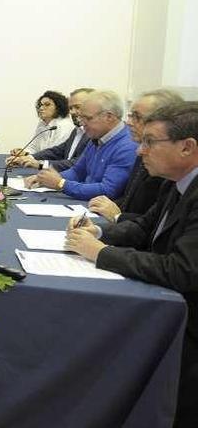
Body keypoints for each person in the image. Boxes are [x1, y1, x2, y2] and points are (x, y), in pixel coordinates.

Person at [63, 102, 198, 428]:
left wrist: (101, 253)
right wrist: (98, 231)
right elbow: (142, 228)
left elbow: (182, 270)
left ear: (187, 147)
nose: (140, 151)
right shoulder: (175, 182)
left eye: (150, 141)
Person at [88, 89, 184, 222]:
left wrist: (118, 216)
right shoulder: (142, 151)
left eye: (137, 117)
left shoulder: (170, 165)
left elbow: (154, 223)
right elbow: (130, 199)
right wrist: (108, 206)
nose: (128, 122)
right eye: (130, 115)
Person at [25, 90, 137, 201]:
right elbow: (77, 172)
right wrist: (46, 179)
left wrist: (61, 183)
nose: (82, 123)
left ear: (109, 117)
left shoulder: (127, 146)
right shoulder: (96, 137)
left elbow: (108, 190)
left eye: (88, 118)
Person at [7, 88, 93, 170]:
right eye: (70, 108)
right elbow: (57, 151)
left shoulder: (67, 126)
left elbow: (75, 163)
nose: (72, 112)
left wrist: (39, 164)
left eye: (77, 107)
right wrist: (26, 157)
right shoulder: (77, 130)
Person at [10, 91, 75, 156]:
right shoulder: (42, 124)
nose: (41, 108)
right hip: (40, 161)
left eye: (47, 105)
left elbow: (54, 153)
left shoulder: (65, 126)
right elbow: (34, 147)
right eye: (40, 105)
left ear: (58, 107)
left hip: (54, 164)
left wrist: (28, 156)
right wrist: (22, 152)